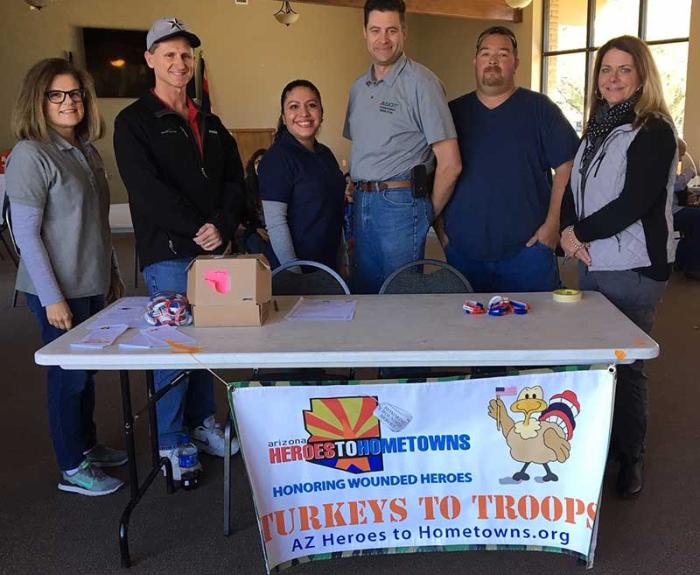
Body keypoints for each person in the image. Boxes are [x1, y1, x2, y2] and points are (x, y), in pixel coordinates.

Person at [113, 17, 243, 479]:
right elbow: (146, 191)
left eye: (186, 55)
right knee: (173, 347)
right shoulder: (133, 122)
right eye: (168, 54)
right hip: (168, 254)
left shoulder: (210, 121)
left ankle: (203, 422)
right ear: (150, 60)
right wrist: (198, 229)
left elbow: (234, 181)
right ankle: (171, 440)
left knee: (208, 341)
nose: (179, 62)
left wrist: (223, 226)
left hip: (214, 253)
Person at [560, 35, 677, 499]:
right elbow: (575, 191)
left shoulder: (654, 130)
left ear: (642, 76)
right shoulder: (596, 130)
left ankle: (631, 457)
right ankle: (603, 447)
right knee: (596, 362)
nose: (613, 78)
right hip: (595, 263)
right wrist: (570, 229)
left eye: (624, 69)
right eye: (606, 69)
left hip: (635, 268)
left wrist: (577, 235)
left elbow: (635, 201)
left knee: (624, 367)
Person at [6, 58, 126, 495]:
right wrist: (53, 297)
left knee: (86, 372)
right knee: (67, 377)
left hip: (90, 282)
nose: (68, 102)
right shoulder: (30, 154)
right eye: (56, 94)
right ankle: (72, 467)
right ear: (38, 101)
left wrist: (111, 271)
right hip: (58, 290)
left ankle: (87, 444)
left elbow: (96, 222)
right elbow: (27, 235)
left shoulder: (86, 150)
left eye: (74, 93)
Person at [442, 26, 579, 293]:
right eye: (486, 54)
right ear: (475, 61)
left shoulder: (540, 109)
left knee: (533, 331)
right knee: (466, 331)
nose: (493, 61)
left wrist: (552, 227)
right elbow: (436, 172)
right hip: (463, 252)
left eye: (502, 54)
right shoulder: (452, 113)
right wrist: (442, 232)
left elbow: (568, 166)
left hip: (528, 253)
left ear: (515, 63)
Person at [344, 0, 461, 293]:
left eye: (391, 30)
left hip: (400, 204)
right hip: (361, 203)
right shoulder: (358, 88)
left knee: (400, 298)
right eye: (376, 30)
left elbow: (451, 163)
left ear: (404, 32)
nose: (383, 39)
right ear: (364, 33)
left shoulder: (423, 83)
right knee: (365, 295)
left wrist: (424, 212)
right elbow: (362, 147)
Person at [259, 80, 345, 271]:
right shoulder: (277, 158)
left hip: (328, 267)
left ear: (321, 113)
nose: (304, 113)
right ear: (283, 116)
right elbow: (276, 224)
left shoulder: (326, 154)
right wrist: (295, 273)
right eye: (294, 106)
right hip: (297, 271)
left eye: (312, 105)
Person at [240, 148, 279, 267]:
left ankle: (282, 275)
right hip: (255, 230)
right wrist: (255, 229)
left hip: (278, 228)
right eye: (257, 162)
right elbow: (241, 216)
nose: (261, 165)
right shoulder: (246, 187)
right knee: (255, 242)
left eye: (264, 161)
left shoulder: (279, 184)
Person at [672, 139, 700, 280]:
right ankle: (694, 266)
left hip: (673, 209)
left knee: (693, 220)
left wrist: (687, 195)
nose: (681, 159)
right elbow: (676, 184)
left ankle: (682, 261)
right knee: (697, 218)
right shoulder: (662, 164)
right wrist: (690, 173)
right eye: (680, 155)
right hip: (666, 213)